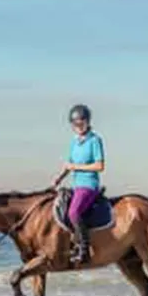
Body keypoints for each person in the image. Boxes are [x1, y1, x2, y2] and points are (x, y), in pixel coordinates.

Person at [52, 103, 106, 265]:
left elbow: (99, 166)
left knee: (74, 212)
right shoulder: (74, 143)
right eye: (75, 124)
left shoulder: (95, 140)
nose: (78, 126)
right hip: (76, 185)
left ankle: (85, 250)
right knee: (61, 209)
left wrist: (76, 167)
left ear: (88, 122)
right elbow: (69, 164)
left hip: (89, 185)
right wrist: (59, 178)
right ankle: (71, 244)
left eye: (82, 122)